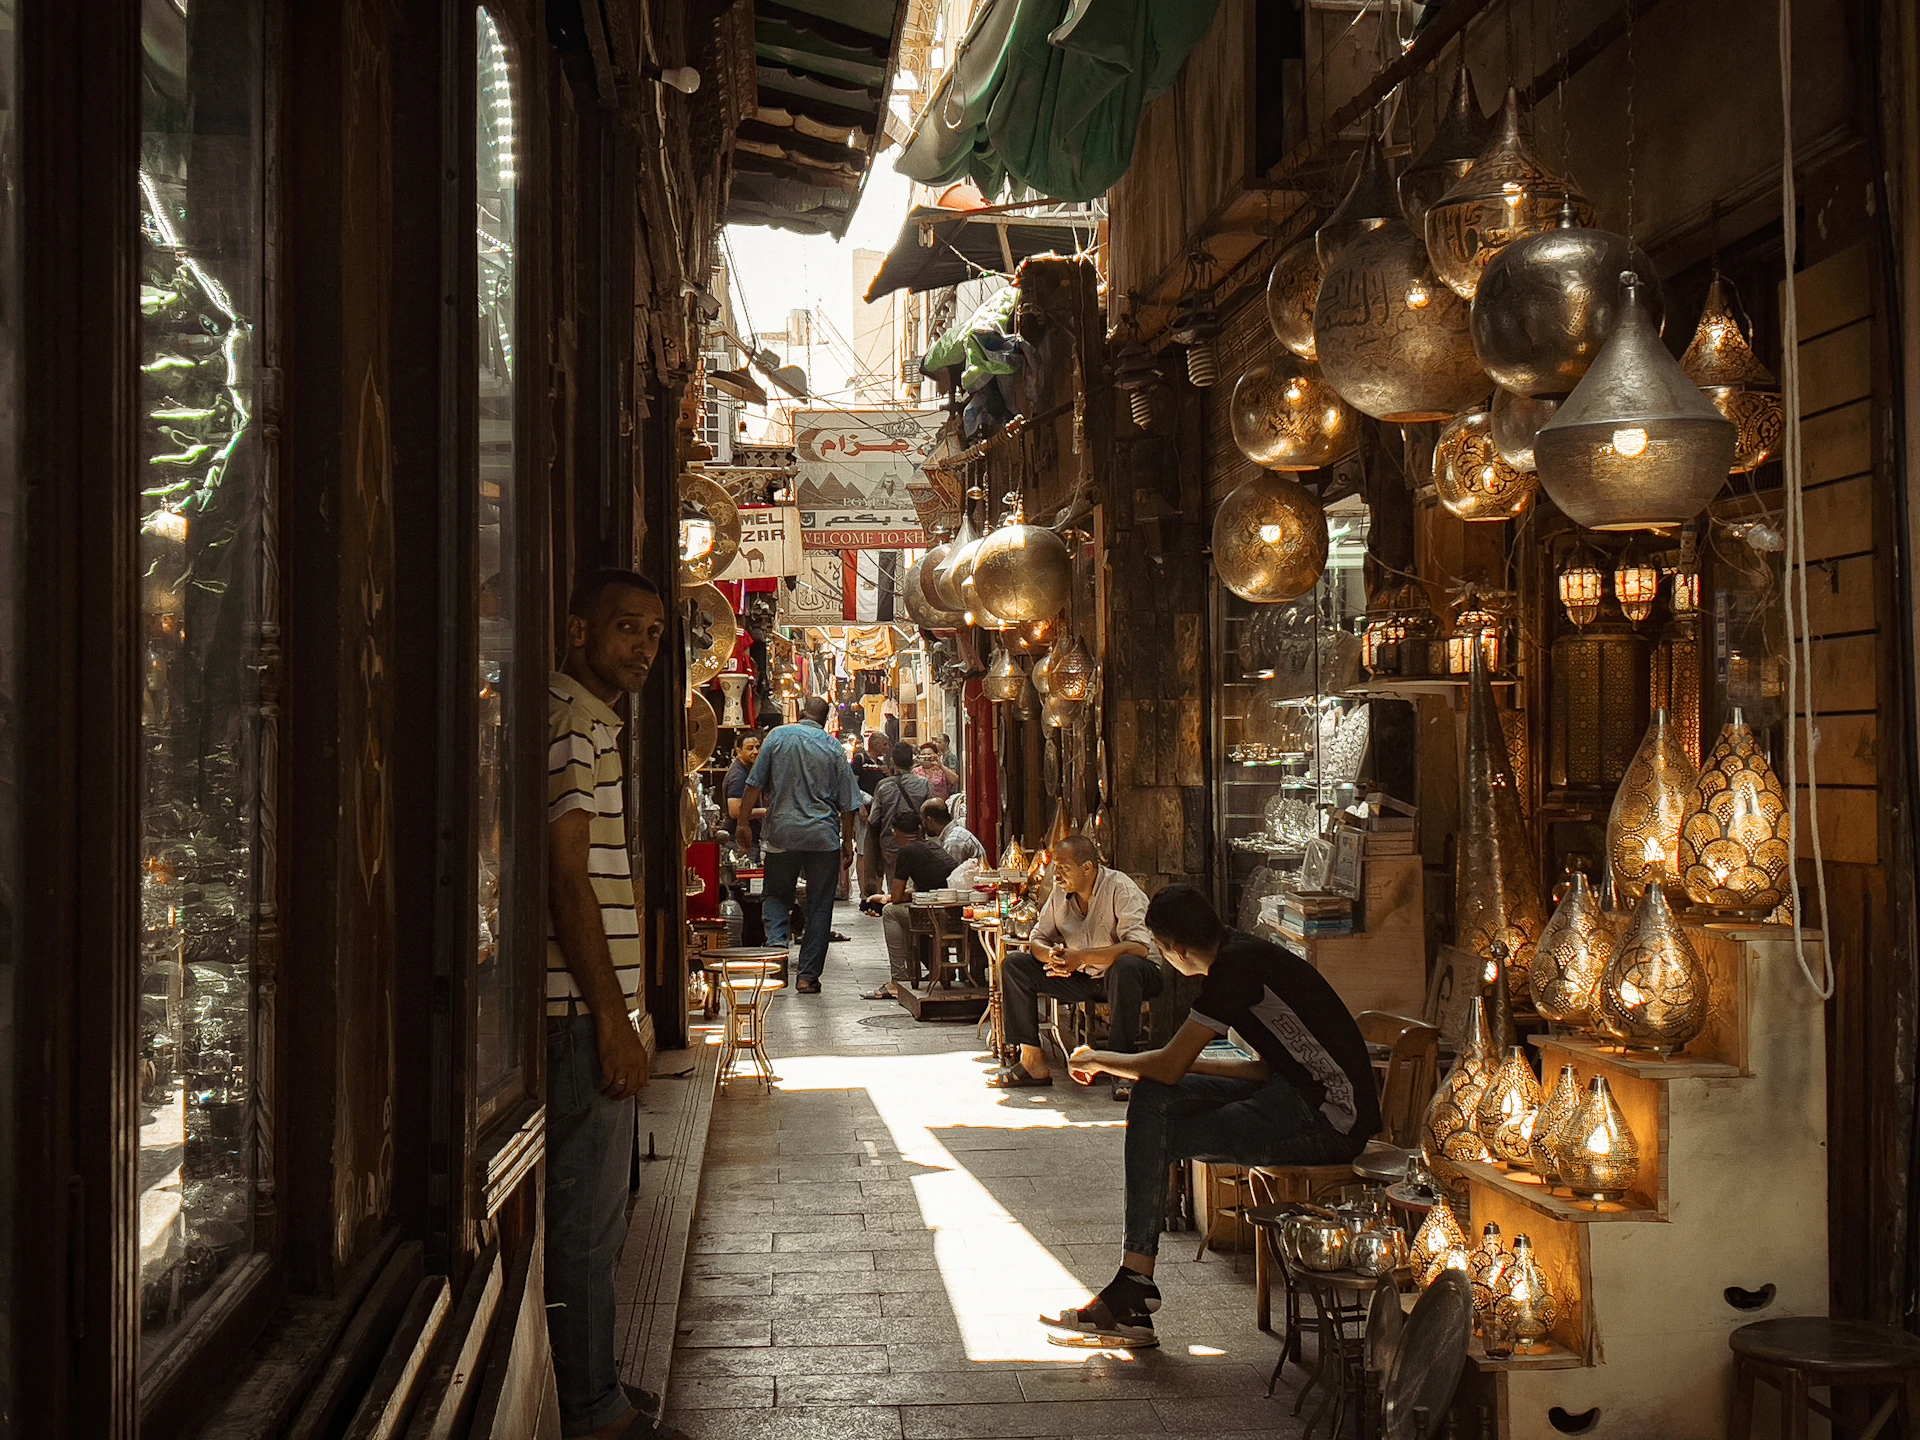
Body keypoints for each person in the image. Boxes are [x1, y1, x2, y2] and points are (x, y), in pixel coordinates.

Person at [1045, 883, 1380, 1348]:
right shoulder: (1242, 954)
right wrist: (1182, 1061)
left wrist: (1100, 1058)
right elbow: (1257, 1068)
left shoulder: (1232, 973)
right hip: (1290, 1093)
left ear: (1177, 949)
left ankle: (1133, 1290)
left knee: (1157, 1128)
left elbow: (1168, 1065)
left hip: (1331, 1120)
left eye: (1163, 950)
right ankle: (1134, 1286)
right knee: (1152, 1099)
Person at [544, 568, 688, 1439]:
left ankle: (596, 1385)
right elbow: (566, 878)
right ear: (578, 631)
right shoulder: (572, 723)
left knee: (591, 1219)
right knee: (586, 1225)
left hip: (586, 1011)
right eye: (627, 627)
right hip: (574, 1014)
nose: (643, 647)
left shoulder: (591, 720)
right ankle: (592, 1411)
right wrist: (612, 1019)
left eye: (654, 633)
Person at [990, 836, 1163, 1095]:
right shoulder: (1060, 893)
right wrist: (1052, 955)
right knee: (1015, 965)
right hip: (1084, 977)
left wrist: (1081, 957)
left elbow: (1139, 947)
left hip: (1131, 977)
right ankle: (1032, 1062)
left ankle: (1121, 1066)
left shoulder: (1120, 888)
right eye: (1055, 867)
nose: (1057, 875)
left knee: (1126, 966)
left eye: (1064, 868)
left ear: (1087, 867)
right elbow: (1037, 937)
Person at [737, 696, 861, 994]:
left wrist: (743, 823)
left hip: (782, 834)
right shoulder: (833, 747)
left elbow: (754, 783)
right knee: (819, 906)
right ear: (825, 719)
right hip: (822, 837)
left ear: (802, 712)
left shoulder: (777, 736)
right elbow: (848, 803)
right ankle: (806, 977)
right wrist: (847, 841)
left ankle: (777, 956)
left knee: (776, 896)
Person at [861, 811, 960, 1000]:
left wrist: (889, 899)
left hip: (938, 915)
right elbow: (918, 889)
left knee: (891, 912)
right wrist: (889, 897)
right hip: (952, 911)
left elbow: (898, 896)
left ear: (895, 832)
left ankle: (898, 979)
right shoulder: (931, 846)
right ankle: (935, 969)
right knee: (899, 912)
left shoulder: (907, 852)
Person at [867, 742, 932, 885]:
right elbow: (928, 816)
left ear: (893, 761)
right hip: (916, 842)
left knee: (894, 885)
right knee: (916, 886)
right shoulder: (923, 784)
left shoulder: (883, 786)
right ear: (912, 762)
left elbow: (873, 819)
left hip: (890, 844)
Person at [921, 798, 986, 864]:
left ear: (929, 820)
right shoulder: (954, 835)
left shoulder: (953, 840)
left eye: (923, 819)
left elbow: (951, 869)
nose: (922, 824)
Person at [723, 732, 763, 828]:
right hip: (738, 833)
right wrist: (767, 811)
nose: (755, 751)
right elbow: (735, 811)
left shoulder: (747, 770)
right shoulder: (739, 775)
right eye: (750, 748)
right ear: (739, 751)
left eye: (757, 747)